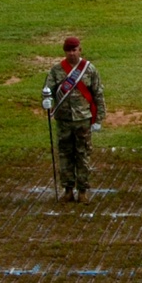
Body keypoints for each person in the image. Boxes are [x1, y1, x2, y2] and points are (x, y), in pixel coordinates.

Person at [42, 36, 106, 205]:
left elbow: (98, 94)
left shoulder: (89, 69)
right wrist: (46, 101)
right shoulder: (56, 70)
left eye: (74, 50)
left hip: (83, 119)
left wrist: (98, 119)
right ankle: (68, 189)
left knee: (82, 154)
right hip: (63, 120)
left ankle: (83, 190)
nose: (71, 53)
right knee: (65, 154)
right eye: (68, 50)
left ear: (80, 49)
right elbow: (48, 90)